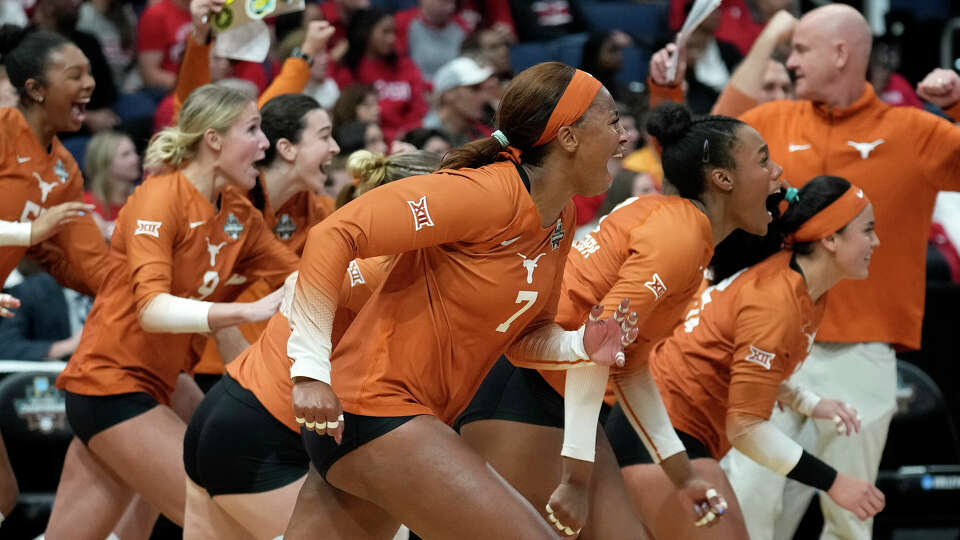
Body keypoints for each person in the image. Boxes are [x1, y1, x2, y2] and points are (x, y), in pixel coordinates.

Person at [281, 62, 638, 540]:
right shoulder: (487, 193)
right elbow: (335, 233)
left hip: (393, 420)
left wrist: (580, 346)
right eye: (613, 122)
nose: (624, 138)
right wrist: (308, 370)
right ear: (568, 137)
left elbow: (523, 338)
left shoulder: (560, 217)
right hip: (375, 408)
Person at [651, 5, 960, 539]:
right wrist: (667, 93)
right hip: (765, 340)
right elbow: (692, 157)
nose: (789, 62)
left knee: (849, 519)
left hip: (859, 351)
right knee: (746, 504)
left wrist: (956, 103)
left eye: (800, 49)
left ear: (840, 53)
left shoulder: (915, 131)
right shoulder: (770, 123)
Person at [457, 100, 781, 537]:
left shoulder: (674, 226)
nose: (778, 173)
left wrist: (682, 477)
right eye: (764, 161)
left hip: (542, 394)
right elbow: (597, 348)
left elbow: (627, 364)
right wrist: (575, 478)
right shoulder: (679, 239)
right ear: (722, 179)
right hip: (525, 395)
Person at [45, 84, 300, 539]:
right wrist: (243, 313)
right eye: (253, 129)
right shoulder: (160, 197)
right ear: (213, 139)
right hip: (111, 384)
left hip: (162, 381)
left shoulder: (239, 212)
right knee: (224, 525)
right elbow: (152, 310)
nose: (265, 143)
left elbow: (301, 274)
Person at [605, 175, 885, 539]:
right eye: (868, 230)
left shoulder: (801, 285)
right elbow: (746, 429)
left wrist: (809, 403)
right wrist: (833, 482)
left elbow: (743, 364)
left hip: (664, 430)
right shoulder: (776, 301)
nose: (875, 241)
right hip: (657, 436)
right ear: (830, 239)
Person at [182, 149, 441, 539]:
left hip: (228, 412)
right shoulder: (387, 264)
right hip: (264, 437)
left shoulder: (368, 251)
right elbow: (300, 288)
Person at [0, 26, 109, 296]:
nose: (90, 83)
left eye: (89, 73)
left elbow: (84, 262)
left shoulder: (65, 169)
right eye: (75, 76)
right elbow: (34, 233)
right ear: (36, 89)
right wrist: (28, 233)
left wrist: (138, 291)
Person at [331, 8, 430, 142]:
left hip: (410, 139)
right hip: (367, 141)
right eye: (385, 32)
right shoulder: (349, 70)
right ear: (366, 33)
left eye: (394, 32)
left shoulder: (406, 66)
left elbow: (419, 107)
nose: (392, 39)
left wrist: (407, 133)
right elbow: (346, 112)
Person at [422, 56, 495, 147]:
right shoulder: (424, 140)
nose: (485, 97)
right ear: (449, 95)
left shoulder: (484, 132)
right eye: (475, 89)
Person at [83, 130, 141, 240]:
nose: (136, 159)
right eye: (126, 154)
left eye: (134, 152)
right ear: (105, 162)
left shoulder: (143, 199)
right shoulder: (86, 205)